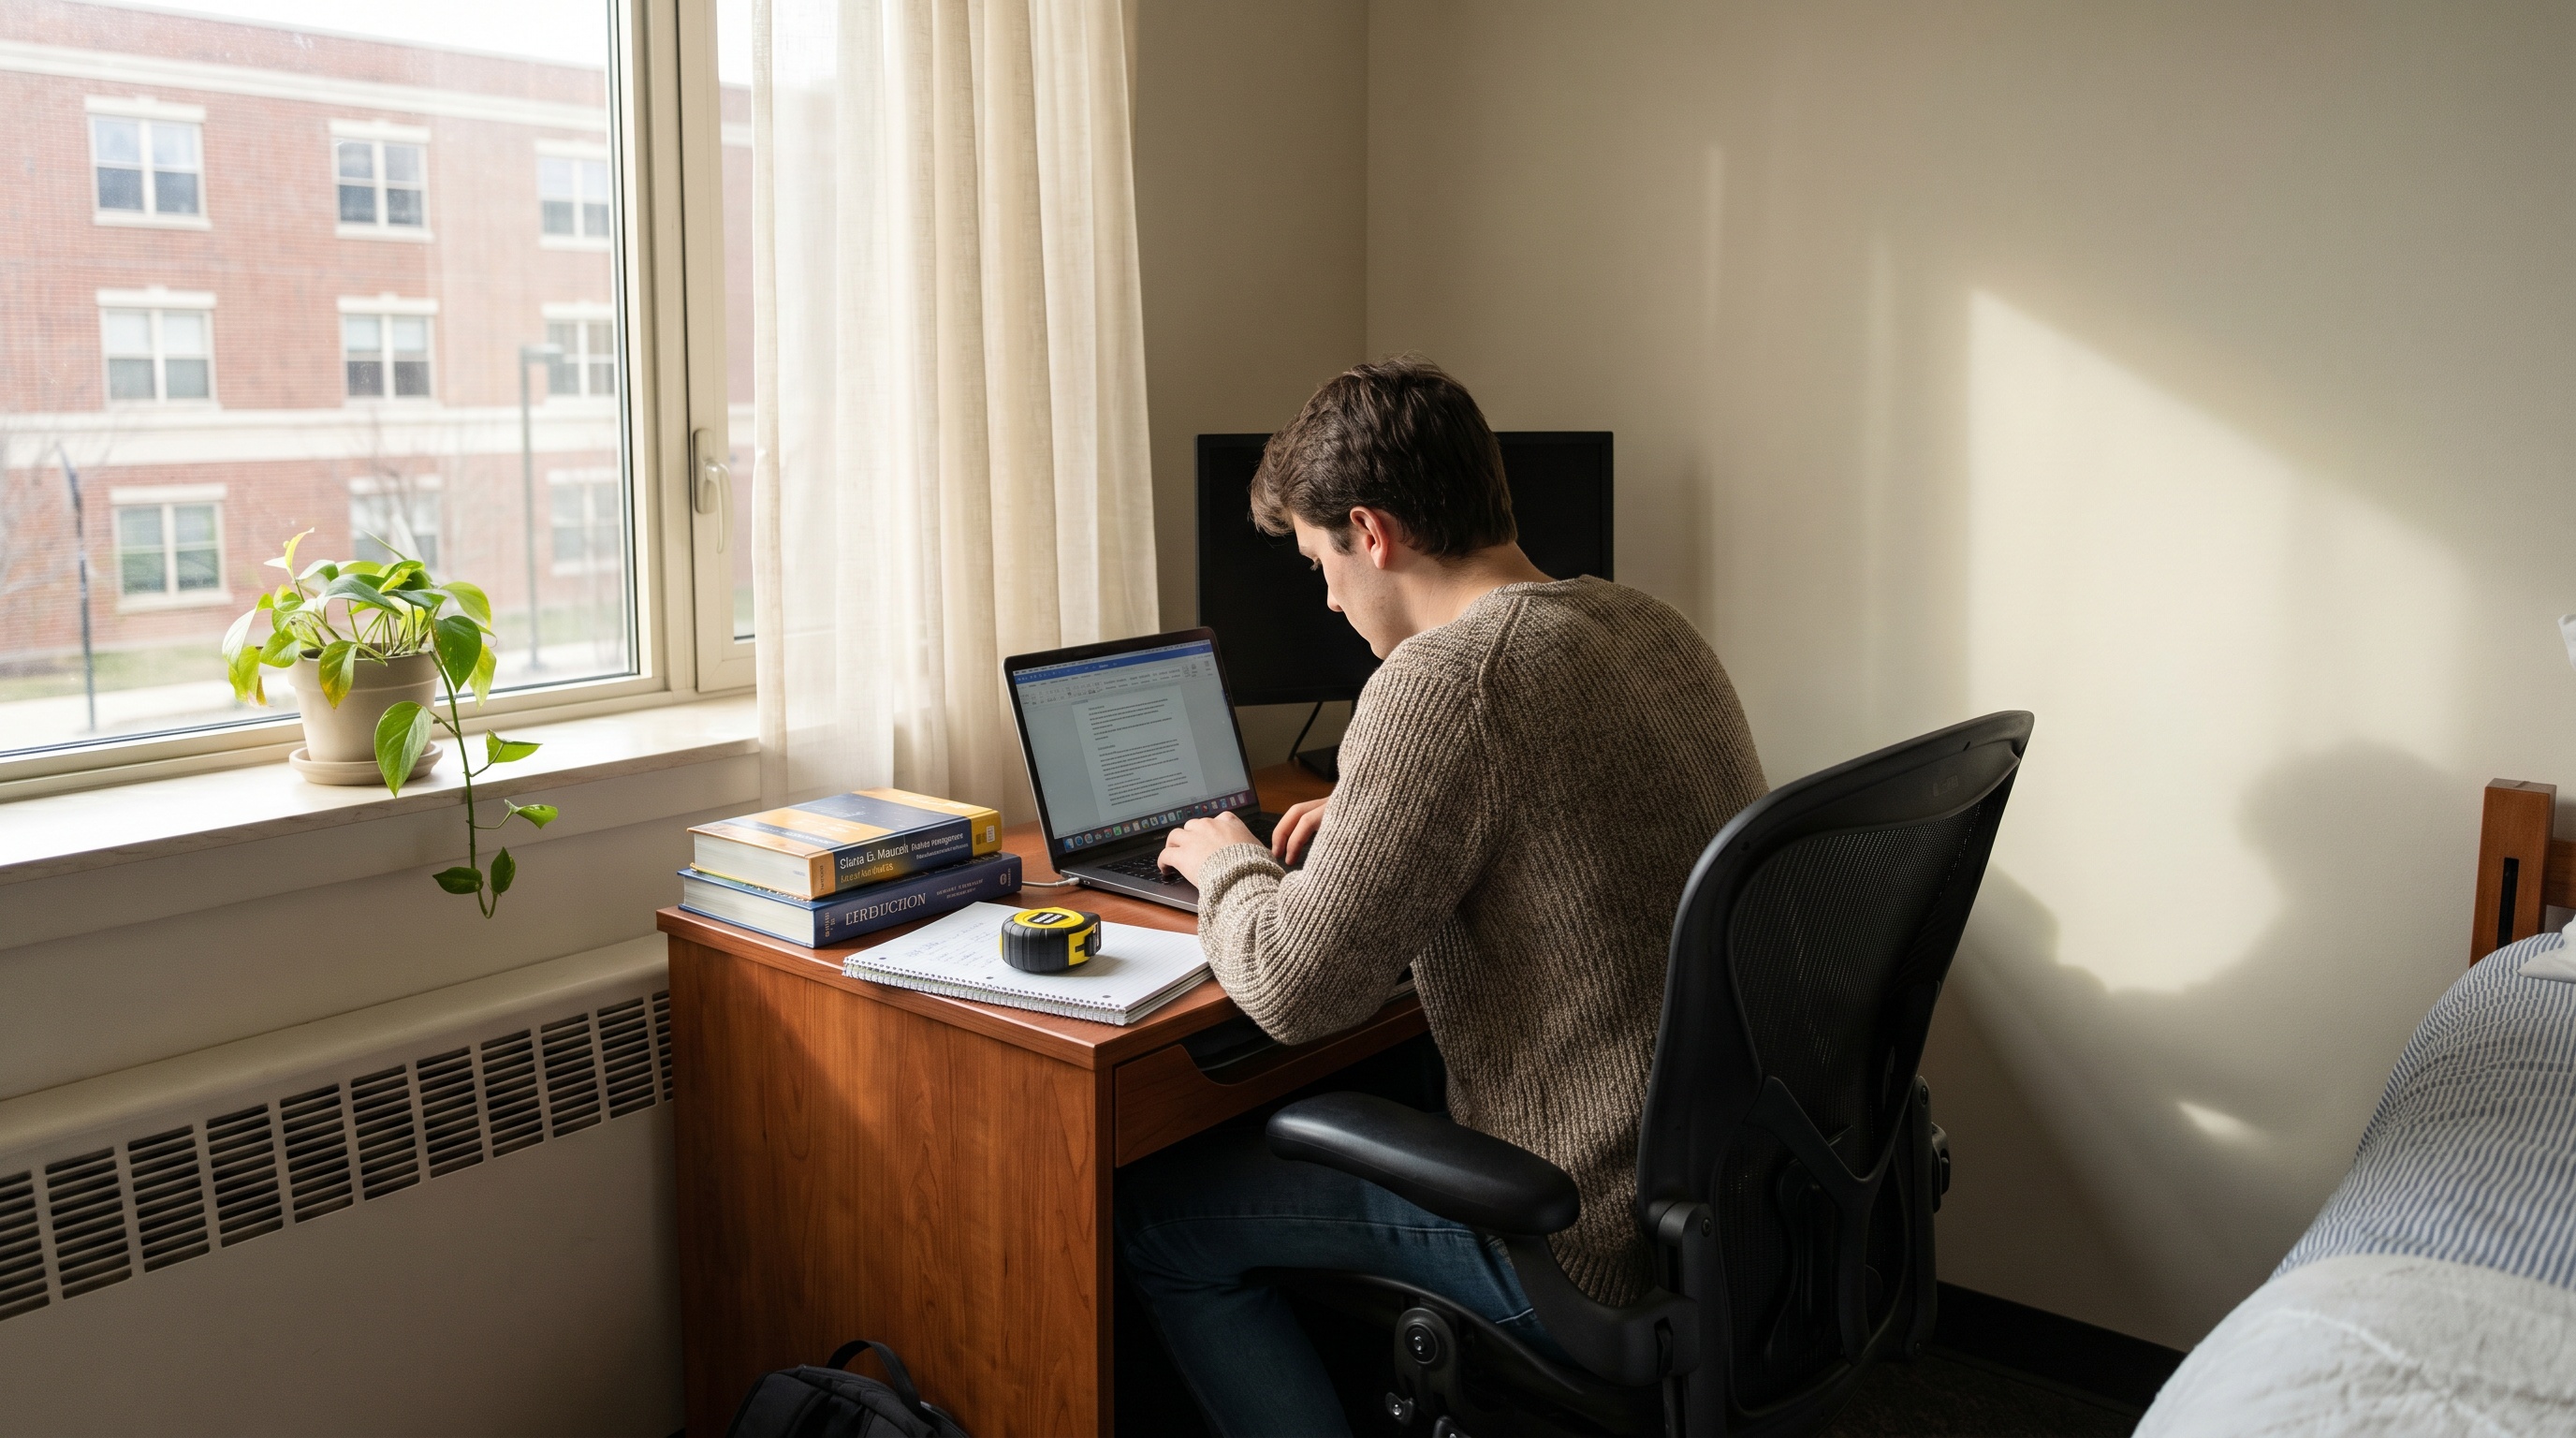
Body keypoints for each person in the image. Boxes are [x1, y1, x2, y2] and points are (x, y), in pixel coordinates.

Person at [1118, 357, 1767, 1436]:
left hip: (1575, 1233)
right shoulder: (1646, 624)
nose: (1325, 595)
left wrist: (1227, 857)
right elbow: (1570, 822)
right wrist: (1376, 820)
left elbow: (1292, 992)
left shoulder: (1440, 682)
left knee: (1157, 1226)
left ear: (1372, 533)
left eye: (1321, 559)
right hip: (1721, 1202)